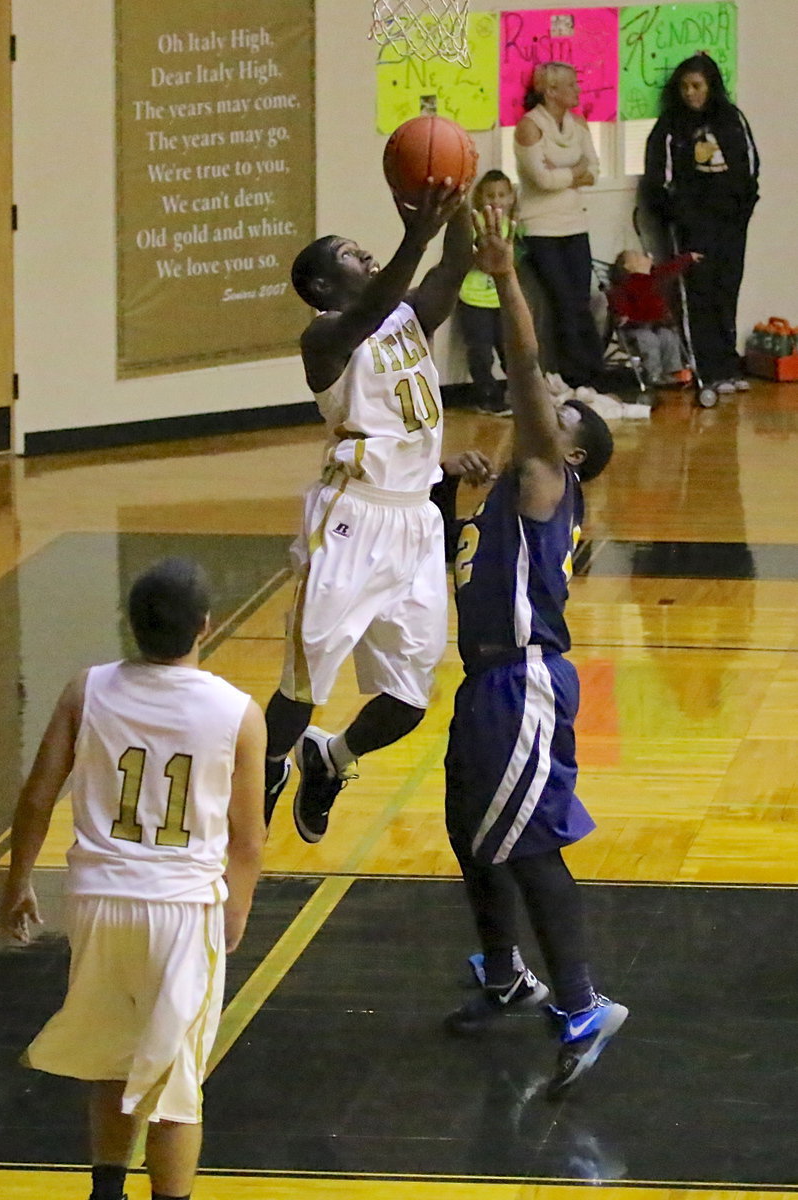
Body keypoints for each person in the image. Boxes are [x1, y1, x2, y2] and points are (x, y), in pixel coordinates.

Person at [0, 558, 267, 1200]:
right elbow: (248, 834)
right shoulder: (237, 712)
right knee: (178, 1087)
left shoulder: (84, 689)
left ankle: (106, 1190)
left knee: (111, 1053)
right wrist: (238, 909)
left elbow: (38, 795)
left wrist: (18, 881)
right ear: (206, 626)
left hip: (96, 902)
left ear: (130, 624)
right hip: (180, 909)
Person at [441, 206, 627, 1099]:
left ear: (575, 447)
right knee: (472, 837)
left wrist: (505, 275)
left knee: (530, 845)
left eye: (560, 407)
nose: (544, 395)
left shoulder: (552, 472)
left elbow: (521, 367)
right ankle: (506, 972)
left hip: (523, 683)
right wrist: (450, 494)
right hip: (483, 682)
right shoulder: (506, 495)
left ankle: (585, 1005)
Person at [264, 182, 473, 844]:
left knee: (411, 697)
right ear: (325, 288)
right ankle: (264, 772)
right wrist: (417, 231)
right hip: (351, 518)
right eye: (353, 255)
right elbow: (376, 304)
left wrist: (460, 194)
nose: (369, 256)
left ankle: (332, 760)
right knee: (305, 683)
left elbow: (453, 266)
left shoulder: (409, 314)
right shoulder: (324, 340)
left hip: (415, 521)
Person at [642, 53, 759, 394]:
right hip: (692, 226)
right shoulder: (670, 126)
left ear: (711, 87)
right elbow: (659, 181)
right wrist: (680, 217)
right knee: (698, 296)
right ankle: (706, 370)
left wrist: (742, 211)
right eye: (684, 87)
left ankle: (729, 366)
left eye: (697, 86)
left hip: (731, 224)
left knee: (727, 291)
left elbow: (749, 167)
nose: (690, 94)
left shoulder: (732, 119)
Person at [514, 63, 626, 394]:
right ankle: (572, 375)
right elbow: (541, 179)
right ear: (550, 91)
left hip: (575, 224)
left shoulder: (578, 124)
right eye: (572, 86)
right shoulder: (530, 126)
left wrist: (567, 173)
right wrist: (573, 174)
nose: (578, 91)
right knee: (561, 301)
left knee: (582, 299)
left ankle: (593, 372)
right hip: (541, 229)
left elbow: (593, 170)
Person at [456, 169, 517, 417]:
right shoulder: (475, 223)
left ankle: (517, 395)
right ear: (480, 197)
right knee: (481, 352)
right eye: (490, 194)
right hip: (474, 299)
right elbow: (466, 257)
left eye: (502, 194)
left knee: (509, 349)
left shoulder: (511, 227)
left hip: (501, 300)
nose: (496, 200)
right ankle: (487, 397)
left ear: (511, 197)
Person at [608, 247, 703, 386]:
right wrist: (622, 314)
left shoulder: (654, 277)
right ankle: (654, 374)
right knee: (649, 340)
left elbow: (670, 269)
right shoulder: (626, 283)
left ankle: (673, 372)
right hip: (635, 328)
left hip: (656, 325)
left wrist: (688, 257)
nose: (645, 256)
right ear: (628, 266)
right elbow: (617, 298)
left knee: (669, 337)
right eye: (637, 255)